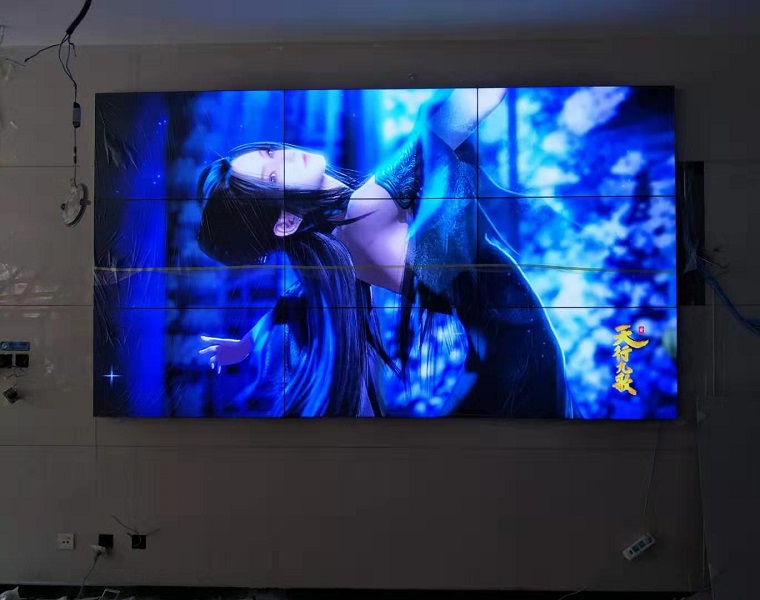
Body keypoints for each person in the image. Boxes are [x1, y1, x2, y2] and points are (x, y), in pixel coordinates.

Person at [196, 89, 574, 418]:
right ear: (285, 222)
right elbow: (452, 120)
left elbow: (297, 299)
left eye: (268, 152)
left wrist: (245, 345)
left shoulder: (336, 251)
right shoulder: (369, 207)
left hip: (506, 356)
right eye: (272, 177)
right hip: (522, 356)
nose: (284, 157)